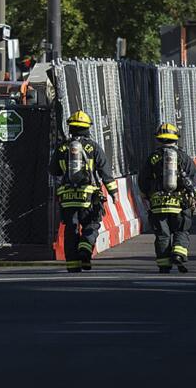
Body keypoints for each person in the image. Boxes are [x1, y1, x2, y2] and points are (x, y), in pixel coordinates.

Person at [51, 110, 118, 272]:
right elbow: (105, 172)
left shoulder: (62, 148)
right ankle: (85, 248)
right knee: (92, 224)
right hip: (88, 196)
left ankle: (73, 265)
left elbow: (54, 170)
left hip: (67, 196)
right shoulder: (93, 147)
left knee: (71, 229)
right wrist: (113, 193)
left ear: (71, 128)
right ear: (87, 128)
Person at [137, 122, 196, 273]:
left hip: (158, 204)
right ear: (176, 138)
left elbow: (143, 180)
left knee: (162, 234)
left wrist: (147, 195)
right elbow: (195, 179)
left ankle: (164, 265)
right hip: (180, 204)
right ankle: (179, 254)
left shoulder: (152, 158)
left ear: (158, 139)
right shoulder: (183, 157)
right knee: (181, 230)